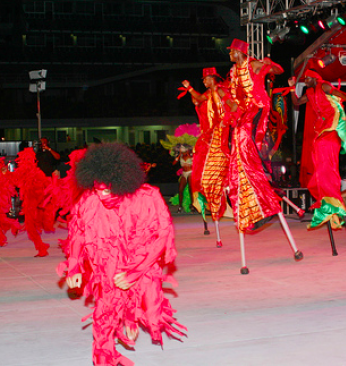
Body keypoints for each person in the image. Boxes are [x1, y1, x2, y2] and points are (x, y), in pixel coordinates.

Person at [59, 143, 186, 365]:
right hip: (105, 263)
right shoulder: (90, 200)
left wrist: (135, 272)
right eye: (97, 190)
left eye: (106, 190)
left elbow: (161, 236)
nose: (101, 195)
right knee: (105, 310)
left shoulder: (148, 198)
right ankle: (103, 357)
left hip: (141, 262)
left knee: (140, 306)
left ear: (121, 183)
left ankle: (129, 319)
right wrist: (74, 265)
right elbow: (78, 231)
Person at [288, 69, 346, 229]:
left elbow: (340, 94)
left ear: (314, 78)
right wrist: (292, 88)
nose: (305, 81)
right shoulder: (310, 92)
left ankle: (332, 203)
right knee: (320, 166)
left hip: (333, 128)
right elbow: (297, 103)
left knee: (326, 165)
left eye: (307, 79)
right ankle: (329, 204)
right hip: (322, 129)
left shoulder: (323, 86)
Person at [227, 39, 284, 231]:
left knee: (250, 143)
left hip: (258, 106)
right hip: (245, 111)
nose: (229, 54)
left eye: (231, 51)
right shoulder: (234, 71)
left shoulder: (253, 64)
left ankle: (261, 163)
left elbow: (278, 71)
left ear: (239, 52)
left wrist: (268, 64)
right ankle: (257, 208)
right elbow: (234, 98)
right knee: (239, 149)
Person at [181, 67, 236, 222]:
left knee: (215, 169)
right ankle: (208, 200)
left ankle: (220, 204)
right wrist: (190, 90)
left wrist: (229, 120)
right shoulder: (208, 94)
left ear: (213, 79)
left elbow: (233, 106)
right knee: (201, 165)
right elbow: (199, 100)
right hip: (210, 135)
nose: (204, 81)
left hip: (218, 134)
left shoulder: (220, 91)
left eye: (206, 79)